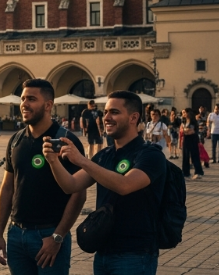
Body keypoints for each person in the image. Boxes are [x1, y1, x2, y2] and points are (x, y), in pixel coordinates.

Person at [43, 91, 167, 275]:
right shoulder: (104, 155)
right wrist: (53, 160)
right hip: (103, 252)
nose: (106, 117)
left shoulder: (150, 154)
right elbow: (70, 185)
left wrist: (82, 160)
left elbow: (125, 185)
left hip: (135, 254)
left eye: (114, 112)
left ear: (133, 118)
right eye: (106, 112)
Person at [0, 79, 87, 275]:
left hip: (48, 234)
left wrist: (58, 237)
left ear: (48, 105)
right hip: (16, 234)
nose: (24, 104)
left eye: (31, 99)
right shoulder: (16, 140)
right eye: (23, 99)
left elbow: (79, 194)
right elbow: (7, 187)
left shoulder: (65, 140)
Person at [181, 108, 204, 180]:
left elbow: (191, 131)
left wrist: (185, 130)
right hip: (186, 139)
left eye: (184, 112)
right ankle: (185, 173)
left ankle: (198, 172)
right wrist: (185, 130)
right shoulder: (184, 121)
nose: (183, 114)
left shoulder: (193, 121)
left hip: (193, 139)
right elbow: (182, 130)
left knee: (194, 155)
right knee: (185, 156)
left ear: (189, 113)